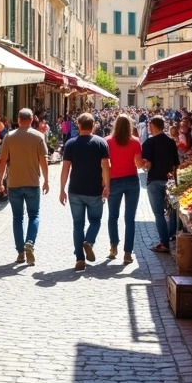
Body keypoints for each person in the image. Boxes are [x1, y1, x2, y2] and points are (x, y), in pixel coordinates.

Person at [0, 108, 50, 266]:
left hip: (14, 183)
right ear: (32, 119)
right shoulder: (38, 136)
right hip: (32, 182)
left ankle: (20, 252)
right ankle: (30, 243)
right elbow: (43, 161)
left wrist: (0, 181)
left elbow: (2, 161)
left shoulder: (9, 137)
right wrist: (46, 180)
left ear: (18, 120)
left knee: (17, 218)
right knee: (34, 215)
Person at [58, 113, 110, 272]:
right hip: (95, 190)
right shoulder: (100, 143)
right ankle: (89, 241)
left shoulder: (71, 144)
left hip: (75, 190)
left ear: (78, 125)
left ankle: (79, 259)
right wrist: (107, 185)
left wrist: (61, 189)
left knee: (77, 225)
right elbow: (106, 166)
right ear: (93, 125)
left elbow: (65, 168)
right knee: (95, 221)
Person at [139, 116, 181, 254]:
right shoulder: (170, 142)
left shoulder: (149, 143)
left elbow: (148, 164)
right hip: (169, 181)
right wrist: (175, 180)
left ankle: (164, 243)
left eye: (150, 125)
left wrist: (144, 168)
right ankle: (171, 235)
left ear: (153, 125)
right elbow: (176, 164)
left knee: (159, 214)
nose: (149, 127)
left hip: (154, 181)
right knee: (172, 211)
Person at [106, 114, 143, 265]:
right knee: (130, 219)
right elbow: (139, 164)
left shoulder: (107, 141)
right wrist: (144, 162)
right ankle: (128, 253)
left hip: (114, 181)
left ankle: (113, 246)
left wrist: (104, 183)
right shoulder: (135, 142)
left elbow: (104, 165)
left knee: (112, 216)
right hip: (132, 181)